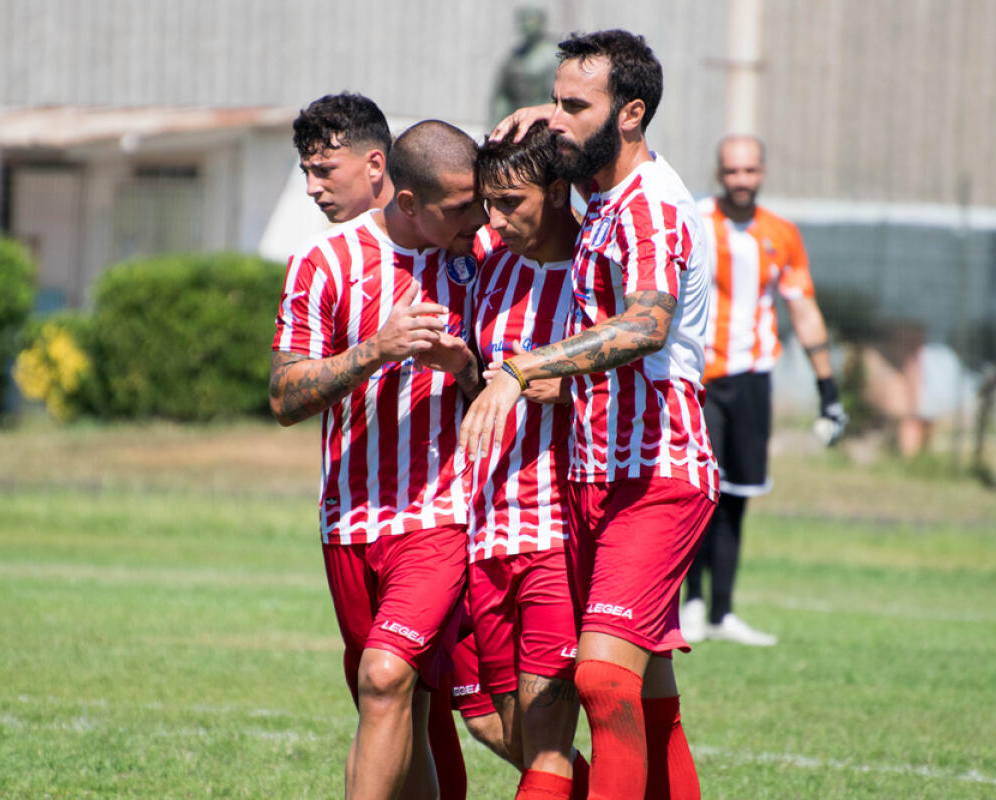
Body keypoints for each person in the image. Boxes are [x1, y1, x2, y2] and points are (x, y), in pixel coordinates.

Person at [470, 29, 718, 800]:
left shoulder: (649, 209)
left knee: (603, 681)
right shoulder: (603, 190)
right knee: (646, 695)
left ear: (632, 114)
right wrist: (534, 115)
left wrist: (523, 369)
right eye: (556, 99)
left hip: (657, 474)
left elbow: (646, 323)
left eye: (575, 105)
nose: (558, 117)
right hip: (594, 477)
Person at [290, 94, 511, 799]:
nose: (479, 220)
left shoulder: (483, 259)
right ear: (409, 202)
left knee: (387, 679)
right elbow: (285, 396)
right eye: (461, 208)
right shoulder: (325, 263)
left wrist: (467, 369)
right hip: (350, 524)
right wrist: (374, 351)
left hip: (441, 521)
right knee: (400, 709)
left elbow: (500, 382)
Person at [681, 135, 849, 647]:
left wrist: (828, 389)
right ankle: (690, 602)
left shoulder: (782, 234)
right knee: (697, 492)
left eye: (750, 170)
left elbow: (803, 309)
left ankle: (723, 612)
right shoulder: (694, 222)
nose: (741, 180)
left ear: (762, 173)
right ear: (719, 172)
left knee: (737, 495)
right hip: (700, 377)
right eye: (732, 170)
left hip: (753, 377)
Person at [469, 120, 590, 800]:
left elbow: (651, 366)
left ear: (557, 191)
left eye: (510, 201)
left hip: (556, 532)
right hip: (483, 528)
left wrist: (573, 387)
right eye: (489, 202)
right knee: (506, 729)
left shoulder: (597, 267)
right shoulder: (490, 259)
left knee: (545, 732)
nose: (495, 218)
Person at [293, 92, 393, 223]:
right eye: (306, 172)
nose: (311, 189)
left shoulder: (426, 237)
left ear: (375, 165)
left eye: (325, 170)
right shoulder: (326, 243)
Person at [491, 6, 560, 127]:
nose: (526, 24)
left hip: (541, 123)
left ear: (540, 22)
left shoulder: (552, 54)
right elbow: (503, 96)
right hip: (515, 119)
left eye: (530, 20)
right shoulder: (515, 55)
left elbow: (555, 95)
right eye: (523, 20)